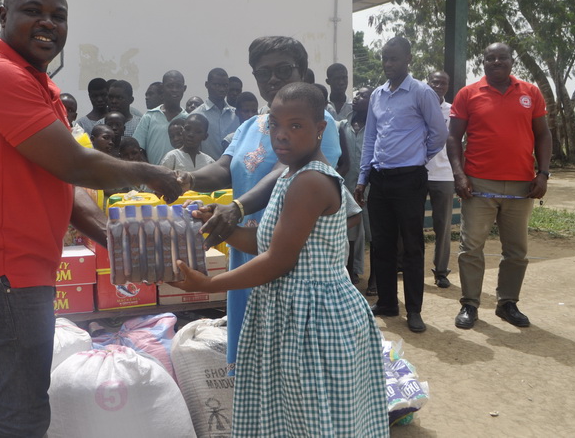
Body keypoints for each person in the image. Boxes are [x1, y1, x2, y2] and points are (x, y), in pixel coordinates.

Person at [0, 0, 181, 436]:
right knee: (23, 415)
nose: (48, 23)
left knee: (6, 403)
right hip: (2, 272)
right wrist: (151, 174)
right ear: (3, 16)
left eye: (59, 16)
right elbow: (75, 163)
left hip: (13, 271)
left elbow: (61, 180)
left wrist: (120, 243)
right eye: (33, 11)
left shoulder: (37, 84)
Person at [173, 83, 388, 437]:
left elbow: (278, 260)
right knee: (291, 417)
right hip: (292, 312)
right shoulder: (291, 175)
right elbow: (265, 241)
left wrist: (209, 284)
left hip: (313, 319)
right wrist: (220, 225)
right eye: (275, 124)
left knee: (311, 420)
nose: (281, 134)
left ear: (320, 129)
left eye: (296, 125)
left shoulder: (310, 181)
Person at [178, 36, 341, 371]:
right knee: (254, 364)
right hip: (246, 250)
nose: (273, 79)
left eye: (283, 69)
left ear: (302, 71)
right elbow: (225, 168)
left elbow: (285, 170)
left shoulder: (316, 122)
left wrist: (237, 208)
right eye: (263, 72)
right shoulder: (251, 125)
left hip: (293, 267)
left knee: (289, 366)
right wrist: (185, 179)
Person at [448, 42, 551, 329]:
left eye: (502, 57)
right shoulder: (468, 94)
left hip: (522, 185)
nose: (496, 61)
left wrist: (543, 173)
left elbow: (543, 135)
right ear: (483, 62)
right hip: (478, 183)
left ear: (511, 61)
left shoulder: (531, 93)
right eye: (490, 58)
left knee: (516, 250)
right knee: (471, 247)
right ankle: (470, 304)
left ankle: (507, 303)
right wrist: (459, 175)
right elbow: (453, 137)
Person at [354, 37, 448, 333]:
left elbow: (439, 134)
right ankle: (387, 302)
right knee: (381, 244)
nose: (388, 64)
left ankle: (414, 310)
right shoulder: (378, 95)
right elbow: (371, 138)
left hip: (409, 179)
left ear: (408, 58)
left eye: (393, 58)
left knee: (411, 246)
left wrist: (418, 156)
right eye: (384, 58)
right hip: (380, 179)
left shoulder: (421, 92)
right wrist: (363, 178)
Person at [425, 70, 455, 289]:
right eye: (435, 82)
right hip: (418, 172)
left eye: (443, 83)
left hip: (444, 174)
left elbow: (457, 143)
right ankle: (404, 264)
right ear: (428, 83)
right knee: (409, 223)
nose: (438, 86)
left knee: (443, 226)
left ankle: (441, 271)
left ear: (447, 87)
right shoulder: (418, 107)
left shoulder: (452, 111)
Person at [340, 87, 372, 287]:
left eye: (363, 96)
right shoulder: (343, 125)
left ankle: (374, 279)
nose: (357, 98)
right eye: (356, 94)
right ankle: (351, 274)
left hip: (369, 188)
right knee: (350, 233)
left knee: (372, 233)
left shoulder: (376, 126)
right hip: (347, 186)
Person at [133, 70, 188, 164]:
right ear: (162, 88)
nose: (174, 90)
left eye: (178, 86)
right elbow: (137, 148)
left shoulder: (188, 119)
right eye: (170, 86)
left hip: (180, 172)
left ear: (184, 88)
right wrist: (150, 169)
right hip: (152, 172)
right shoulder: (149, 117)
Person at [192, 68, 240, 160]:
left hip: (233, 166)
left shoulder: (236, 115)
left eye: (225, 85)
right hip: (206, 167)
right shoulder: (196, 116)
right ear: (207, 85)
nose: (222, 89)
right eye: (217, 85)